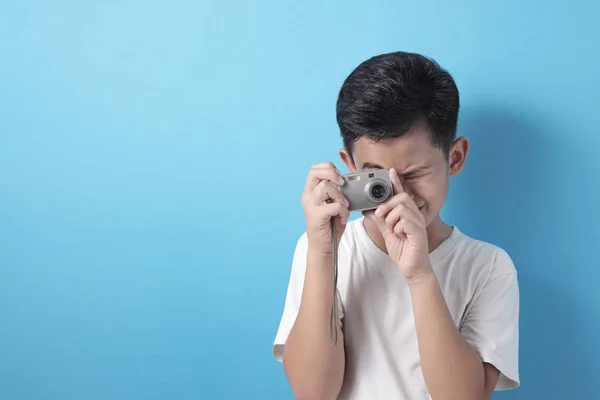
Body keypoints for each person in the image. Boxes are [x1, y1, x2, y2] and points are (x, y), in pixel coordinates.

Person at [272, 51, 520, 400]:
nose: (397, 195)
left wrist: (419, 275)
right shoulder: (320, 248)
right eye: (376, 179)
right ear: (349, 166)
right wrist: (323, 256)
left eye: (415, 173)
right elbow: (313, 393)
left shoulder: (488, 267)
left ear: (455, 157)